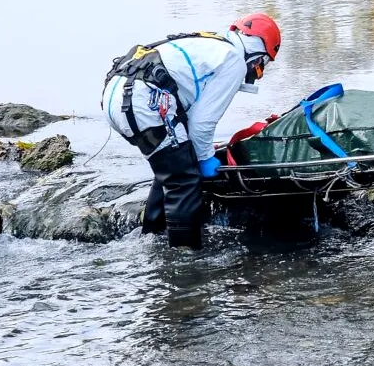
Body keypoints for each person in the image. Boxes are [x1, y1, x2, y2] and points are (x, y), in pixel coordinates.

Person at [101, 13, 282, 249]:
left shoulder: (210, 45)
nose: (257, 73)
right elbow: (202, 123)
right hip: (143, 102)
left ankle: (152, 238)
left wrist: (195, 153)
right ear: (257, 51)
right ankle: (185, 260)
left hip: (116, 98)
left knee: (173, 166)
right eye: (261, 66)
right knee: (185, 182)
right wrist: (206, 159)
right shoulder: (233, 60)